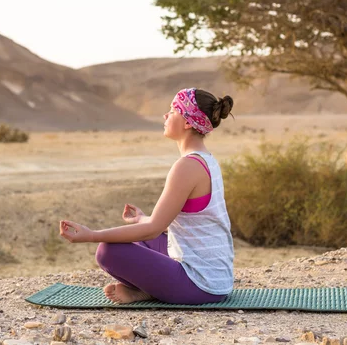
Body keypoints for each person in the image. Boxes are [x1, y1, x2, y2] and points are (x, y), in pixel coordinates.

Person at [59, 88, 235, 305]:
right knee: (140, 238)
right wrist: (142, 219)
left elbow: (154, 229)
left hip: (201, 285)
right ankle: (145, 291)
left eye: (172, 110)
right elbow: (168, 225)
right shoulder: (207, 160)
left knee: (107, 250)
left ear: (188, 122)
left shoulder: (187, 166)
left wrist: (92, 234)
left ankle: (150, 290)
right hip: (218, 281)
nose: (166, 115)